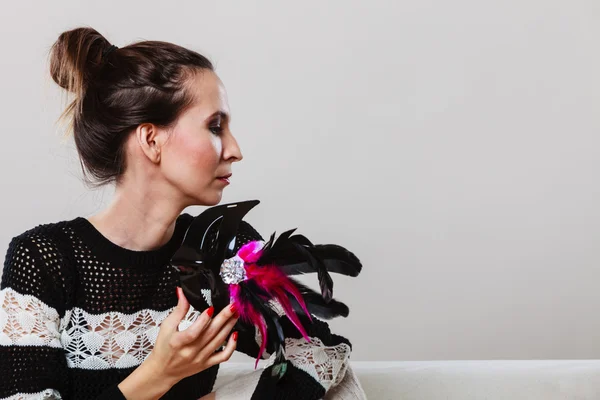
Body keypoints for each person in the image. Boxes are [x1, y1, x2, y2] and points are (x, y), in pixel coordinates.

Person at [0, 27, 365, 399]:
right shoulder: (43, 259)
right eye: (215, 126)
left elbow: (323, 349)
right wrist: (158, 375)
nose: (235, 150)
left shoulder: (225, 248)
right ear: (151, 140)